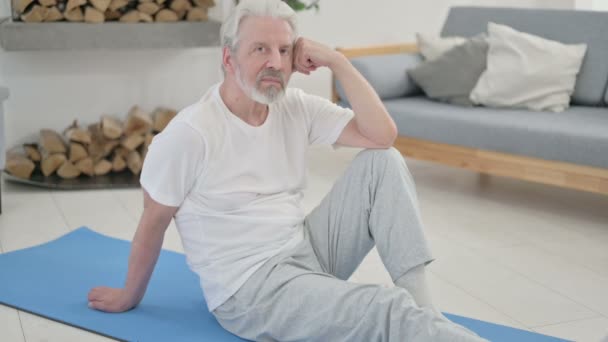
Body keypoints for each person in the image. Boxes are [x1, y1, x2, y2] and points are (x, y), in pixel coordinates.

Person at [88, 0, 486, 340]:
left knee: (383, 162)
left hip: (306, 249)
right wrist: (129, 295)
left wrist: (337, 61)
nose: (274, 63)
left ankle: (426, 313)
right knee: (385, 309)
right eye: (260, 49)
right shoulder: (191, 134)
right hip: (252, 288)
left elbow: (382, 136)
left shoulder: (295, 106)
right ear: (229, 58)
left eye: (283, 50)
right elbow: (153, 221)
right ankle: (420, 324)